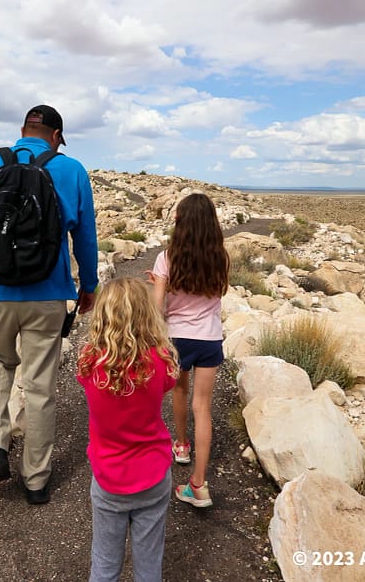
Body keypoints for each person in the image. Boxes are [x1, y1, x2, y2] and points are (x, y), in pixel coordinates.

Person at [0, 104, 98, 505]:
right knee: (39, 386)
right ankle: (36, 479)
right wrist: (89, 285)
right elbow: (85, 236)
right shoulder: (71, 171)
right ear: (56, 136)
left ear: (22, 130)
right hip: (49, 294)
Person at [77, 277, 179, 582]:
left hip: (108, 480)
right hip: (153, 475)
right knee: (149, 566)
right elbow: (169, 383)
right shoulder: (160, 362)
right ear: (148, 316)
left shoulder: (89, 363)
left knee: (105, 565)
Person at [148, 192, 229, 508]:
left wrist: (158, 285)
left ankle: (181, 445)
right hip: (209, 338)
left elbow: (157, 307)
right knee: (203, 406)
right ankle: (198, 483)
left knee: (179, 393)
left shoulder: (166, 258)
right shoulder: (220, 257)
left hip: (177, 338)